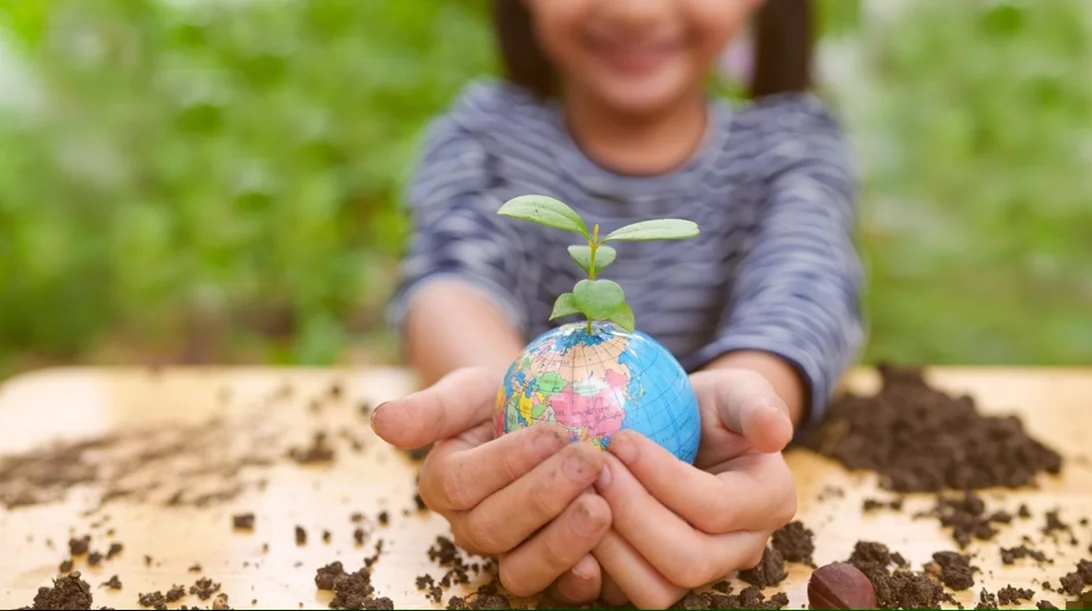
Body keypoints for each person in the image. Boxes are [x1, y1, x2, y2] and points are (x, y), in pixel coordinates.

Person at [370, 0, 863, 607]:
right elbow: (449, 283)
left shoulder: (792, 144)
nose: (636, 10)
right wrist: (505, 408)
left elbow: (805, 293)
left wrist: (748, 407)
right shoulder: (482, 137)